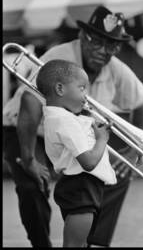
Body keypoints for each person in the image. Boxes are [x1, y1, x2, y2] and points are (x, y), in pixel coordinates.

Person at [3, 5, 143, 247]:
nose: (103, 50)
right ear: (83, 36)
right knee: (32, 185)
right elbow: (29, 104)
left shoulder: (118, 71)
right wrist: (29, 160)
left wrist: (132, 153)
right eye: (96, 41)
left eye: (111, 45)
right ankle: (41, 244)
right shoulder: (58, 58)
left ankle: (94, 242)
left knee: (116, 173)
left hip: (69, 136)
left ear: (117, 47)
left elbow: (140, 102)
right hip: (29, 130)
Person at [36, 59, 117, 247]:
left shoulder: (63, 118)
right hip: (82, 185)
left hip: (82, 186)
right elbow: (89, 162)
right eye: (82, 88)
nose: (86, 96)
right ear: (60, 89)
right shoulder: (64, 121)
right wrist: (102, 139)